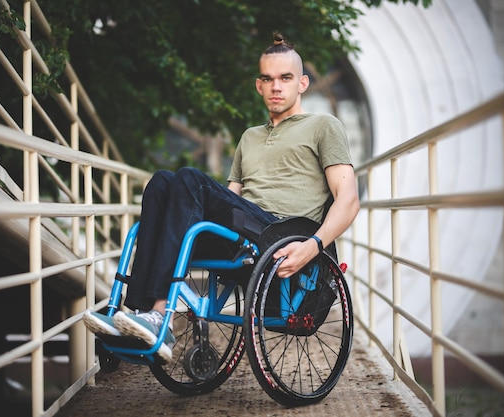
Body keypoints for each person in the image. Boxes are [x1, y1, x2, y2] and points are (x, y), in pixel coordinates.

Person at [83, 33, 360, 363]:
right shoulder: (249, 137)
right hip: (242, 232)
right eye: (268, 79)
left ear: (302, 83)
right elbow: (230, 201)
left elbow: (349, 199)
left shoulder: (323, 126)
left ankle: (159, 315)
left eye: (285, 78)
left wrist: (312, 245)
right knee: (161, 183)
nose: (276, 87)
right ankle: (136, 313)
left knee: (189, 178)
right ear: (259, 85)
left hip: (280, 231)